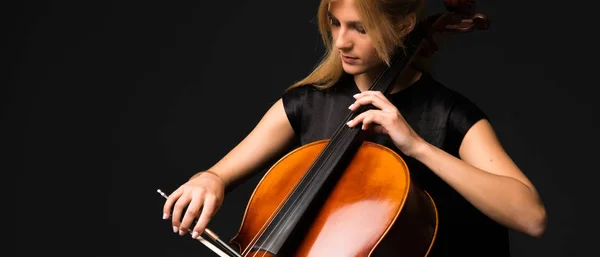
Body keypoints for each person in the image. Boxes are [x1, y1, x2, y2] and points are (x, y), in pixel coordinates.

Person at [162, 0, 547, 255]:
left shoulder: (447, 113)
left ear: (405, 26)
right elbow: (217, 175)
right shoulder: (307, 102)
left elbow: (531, 217)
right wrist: (208, 179)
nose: (341, 41)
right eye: (335, 23)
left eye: (359, 29)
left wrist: (417, 147)